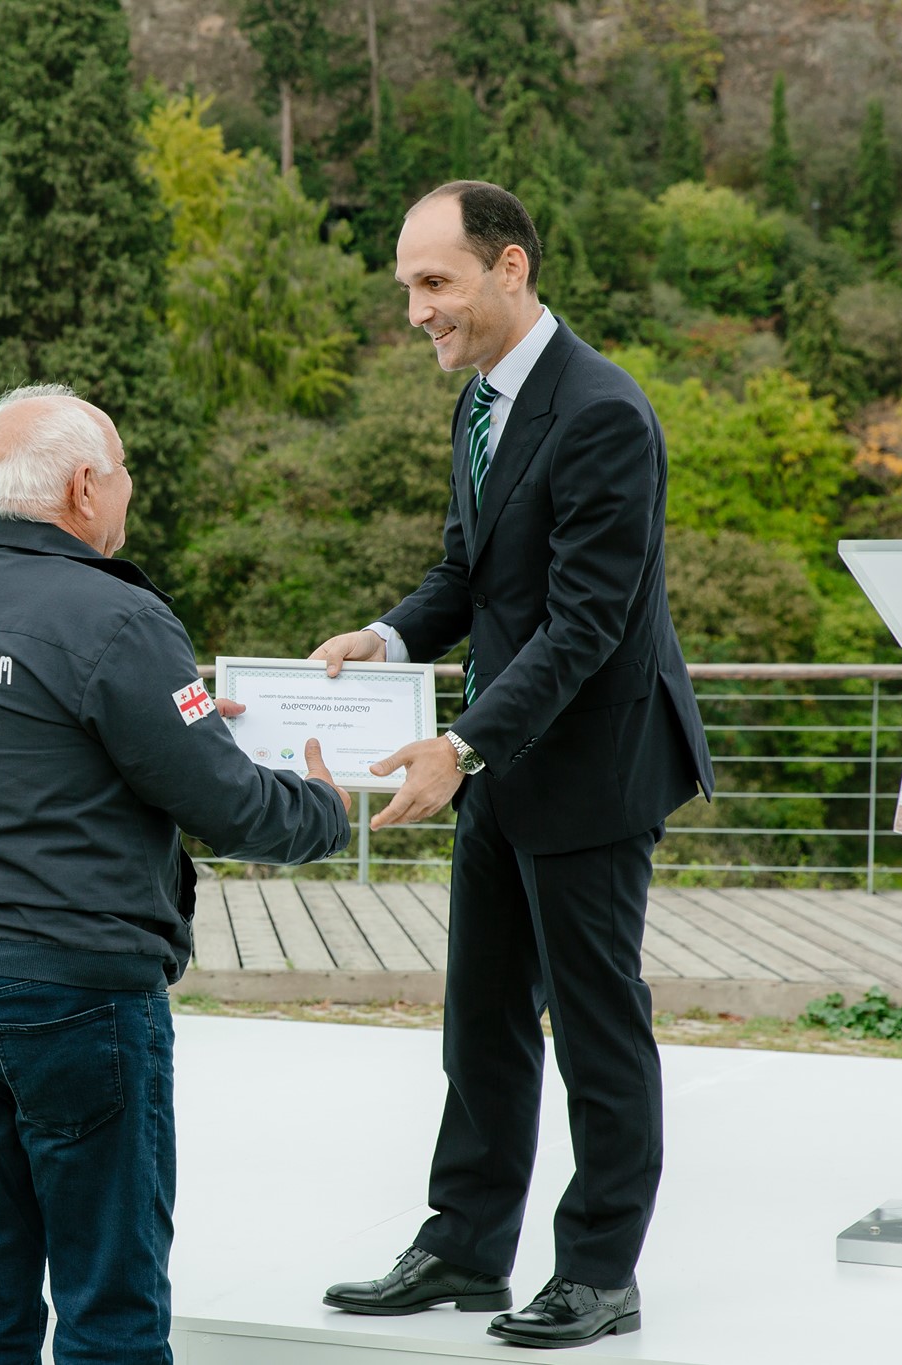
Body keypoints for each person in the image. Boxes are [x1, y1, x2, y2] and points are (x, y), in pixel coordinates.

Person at [312, 183, 714, 1350]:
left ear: (509, 269)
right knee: (480, 1021)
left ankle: (597, 1272)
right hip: (493, 762)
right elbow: (465, 577)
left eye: (433, 283)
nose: (415, 312)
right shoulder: (480, 403)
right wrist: (384, 639)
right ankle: (462, 1248)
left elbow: (584, 624)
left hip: (588, 769)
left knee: (595, 1029)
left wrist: (458, 743)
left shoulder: (603, 413)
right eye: (407, 287)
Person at [0, 385, 353, 1364]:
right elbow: (230, 807)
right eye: (124, 469)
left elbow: (29, 752)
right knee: (111, 1311)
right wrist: (324, 807)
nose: (128, 487)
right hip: (73, 999)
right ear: (84, 488)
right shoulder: (116, 617)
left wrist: (174, 718)